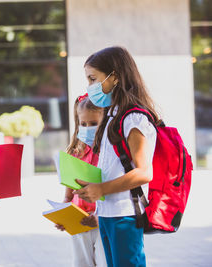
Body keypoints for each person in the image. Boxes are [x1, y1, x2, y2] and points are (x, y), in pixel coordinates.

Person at [74, 46, 160, 267]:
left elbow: (143, 172)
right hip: (107, 214)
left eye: (94, 79)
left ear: (115, 77)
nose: (90, 86)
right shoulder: (113, 115)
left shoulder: (134, 118)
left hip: (125, 215)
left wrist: (101, 189)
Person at [56, 94, 107, 267]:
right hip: (78, 224)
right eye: (83, 124)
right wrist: (62, 215)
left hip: (103, 223)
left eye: (93, 123)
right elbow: (68, 196)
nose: (87, 128)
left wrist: (99, 218)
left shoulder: (109, 154)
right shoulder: (74, 153)